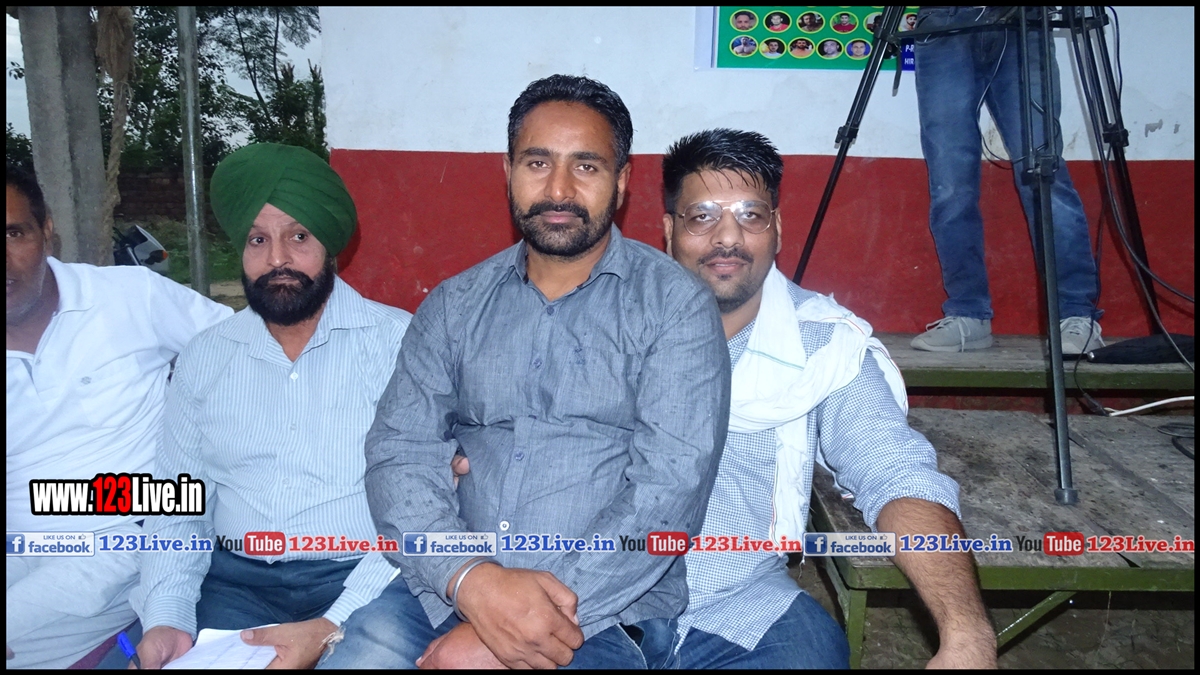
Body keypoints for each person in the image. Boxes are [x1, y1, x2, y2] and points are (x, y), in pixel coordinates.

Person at [321, 75, 729, 670]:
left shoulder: (675, 306)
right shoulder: (455, 305)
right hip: (446, 590)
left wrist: (528, 621)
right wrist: (471, 580)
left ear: (621, 182)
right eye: (538, 163)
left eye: (585, 166)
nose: (558, 189)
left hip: (603, 611)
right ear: (507, 172)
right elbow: (398, 454)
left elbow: (669, 492)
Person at [657, 129, 998, 669]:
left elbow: (896, 473)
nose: (728, 237)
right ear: (669, 230)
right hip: (603, 598)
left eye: (751, 216)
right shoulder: (610, 326)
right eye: (702, 216)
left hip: (742, 602)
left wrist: (966, 636)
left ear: (777, 229)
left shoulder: (823, 344)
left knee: (811, 656)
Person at [130, 144, 413, 669]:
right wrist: (167, 618)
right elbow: (177, 505)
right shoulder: (206, 357)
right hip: (237, 584)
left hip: (369, 579)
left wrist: (335, 622)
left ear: (330, 246)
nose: (277, 259)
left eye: (298, 237)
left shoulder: (400, 345)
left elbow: (421, 508)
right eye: (258, 239)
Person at [6, 163, 231, 669]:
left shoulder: (130, 297)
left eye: (13, 233)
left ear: (46, 231)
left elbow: (244, 352)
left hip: (127, 537)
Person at [910, 6, 1103, 354]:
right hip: (943, 20)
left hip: (1024, 19)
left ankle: (1076, 314)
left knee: (1044, 175)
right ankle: (968, 313)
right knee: (950, 184)